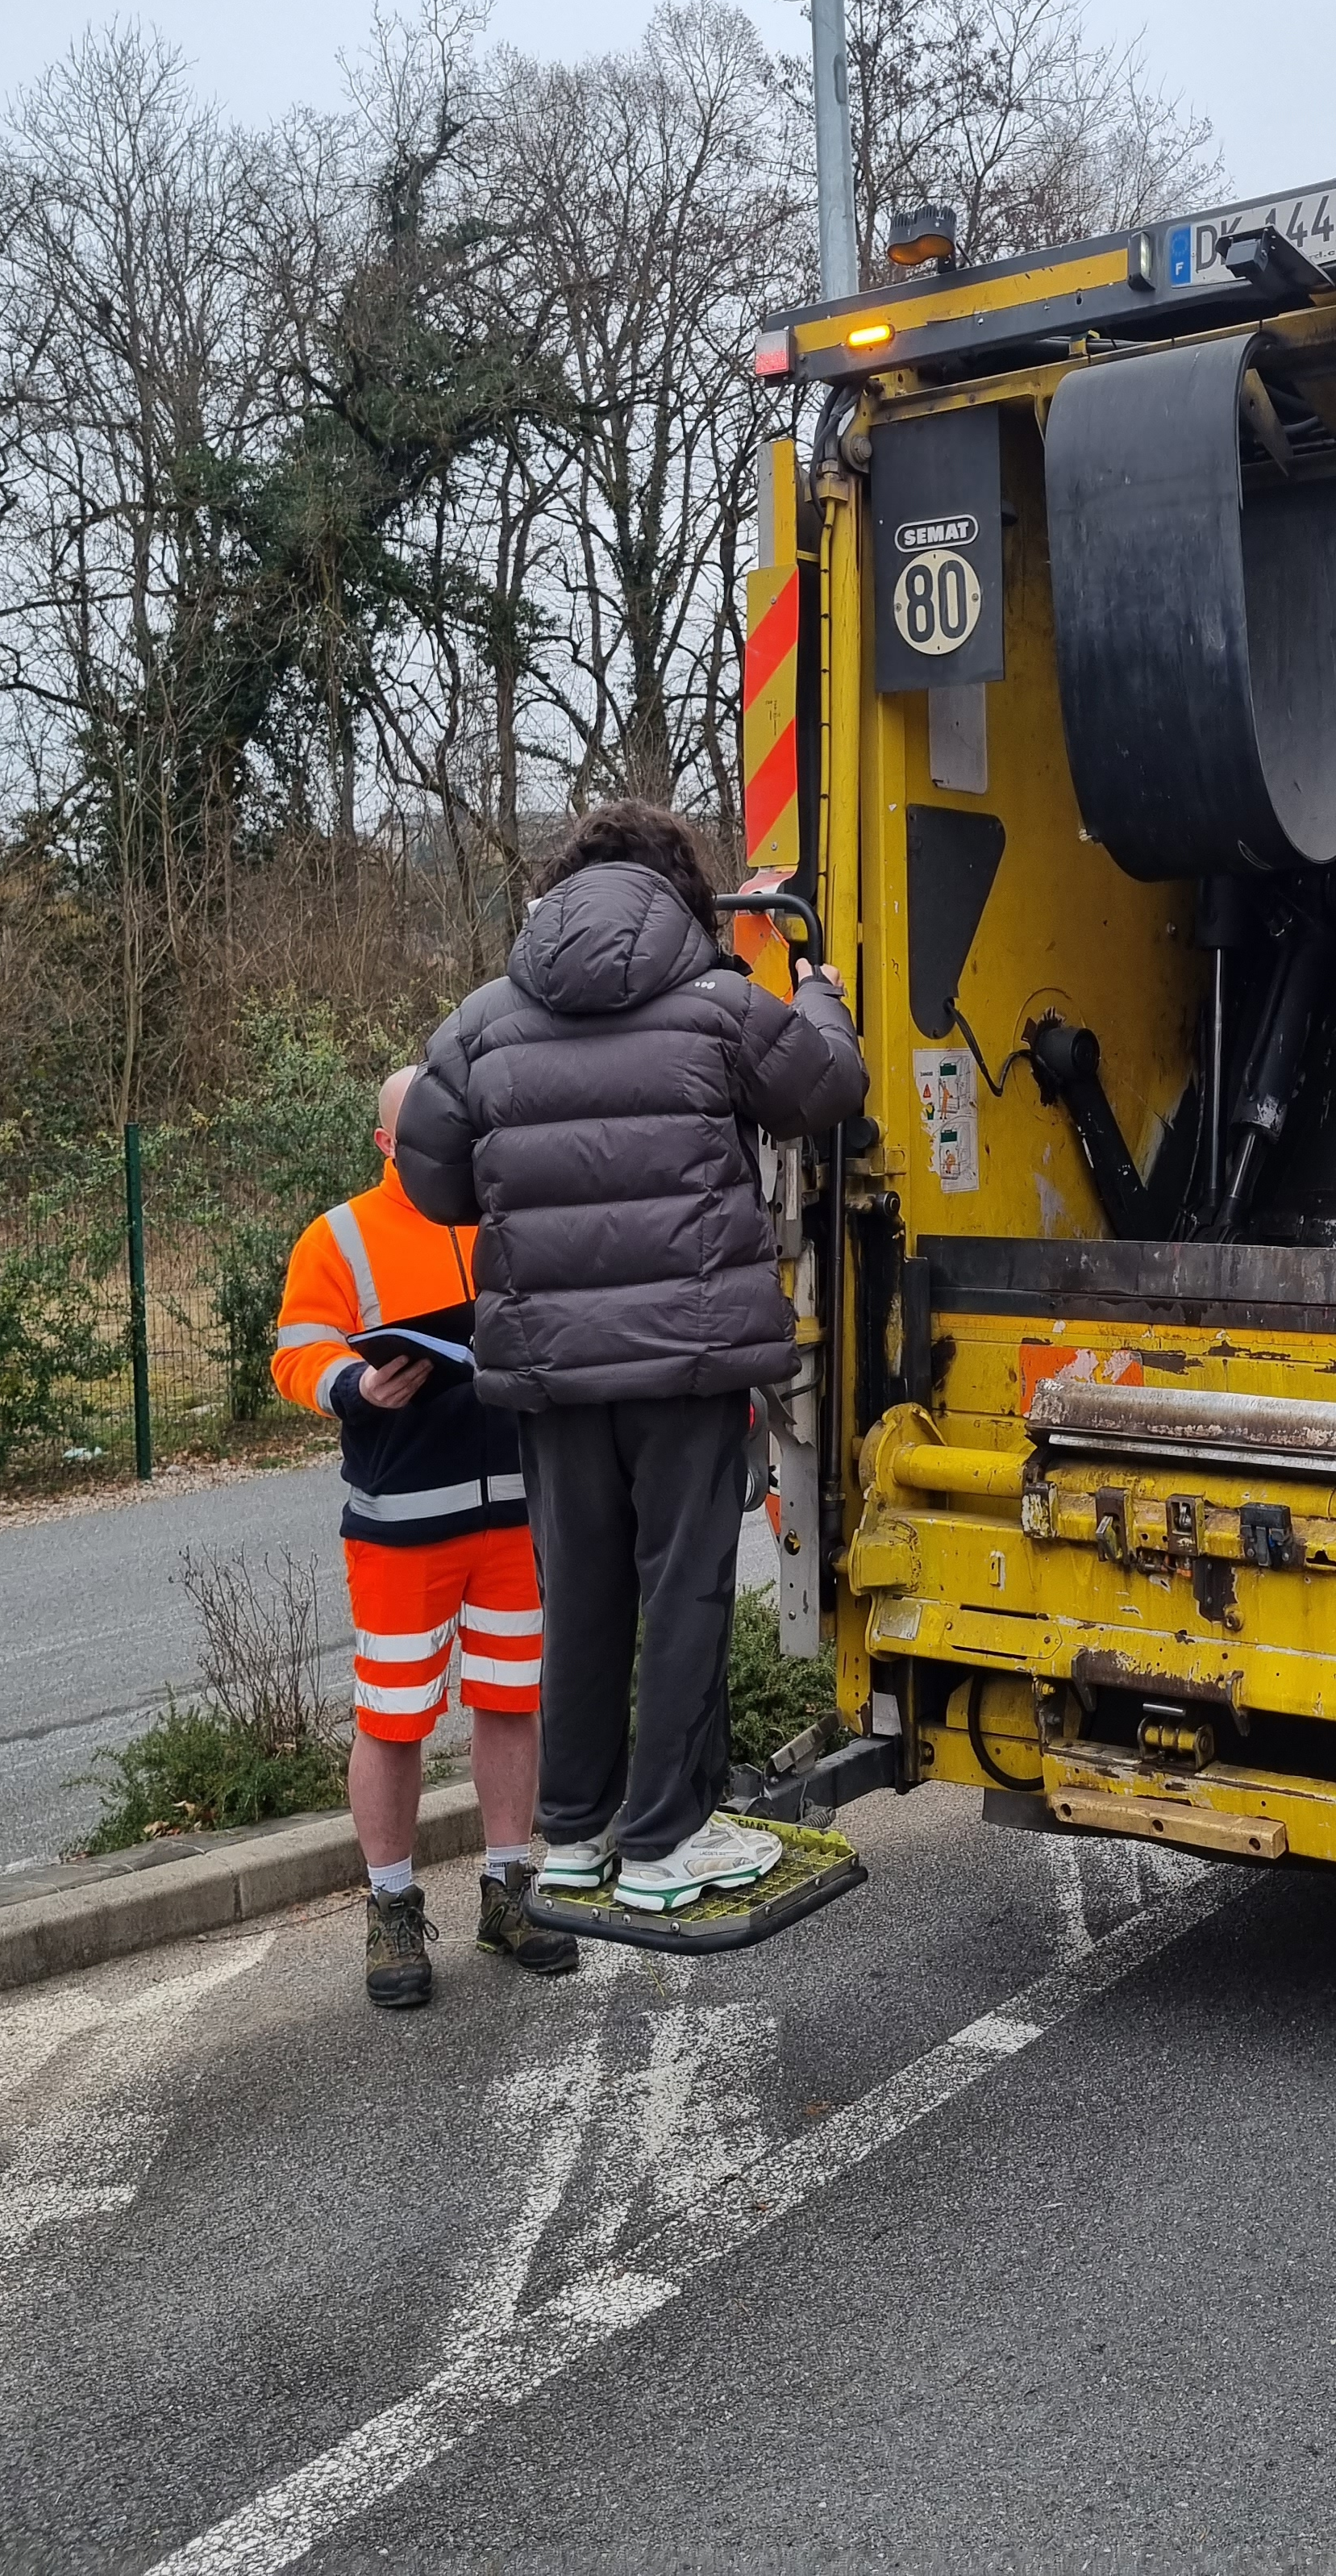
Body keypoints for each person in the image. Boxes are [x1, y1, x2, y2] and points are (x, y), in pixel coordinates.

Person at [396, 800, 865, 1917]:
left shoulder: (483, 1022)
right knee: (685, 1590)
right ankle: (664, 1842)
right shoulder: (716, 1004)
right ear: (679, 896)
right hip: (689, 1365)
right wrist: (821, 996)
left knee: (584, 1595)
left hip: (552, 1374)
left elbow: (431, 1181)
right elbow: (827, 1093)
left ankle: (574, 1834)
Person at [273, 1065, 576, 2007]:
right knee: (393, 1719)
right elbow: (297, 1351)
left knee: (510, 1698)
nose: (449, 1149)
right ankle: (392, 1911)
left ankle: (509, 1890)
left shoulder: (511, 1219)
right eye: (424, 1136)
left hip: (517, 1515)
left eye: (459, 1131)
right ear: (385, 1145)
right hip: (403, 1526)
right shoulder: (339, 1236)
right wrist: (353, 1388)